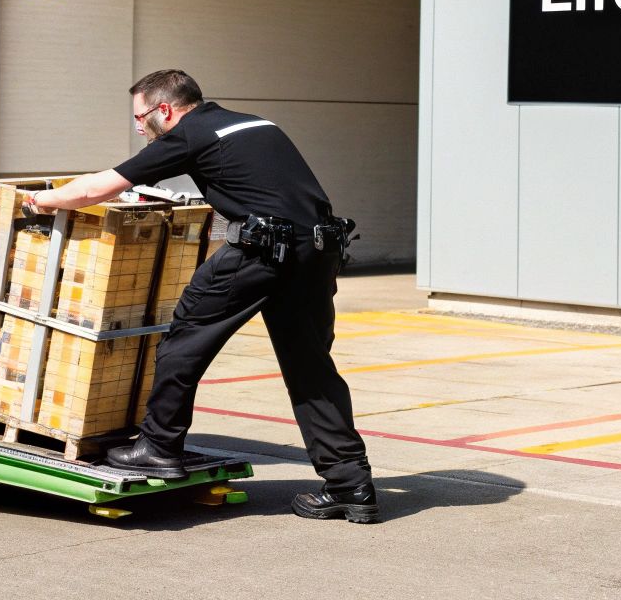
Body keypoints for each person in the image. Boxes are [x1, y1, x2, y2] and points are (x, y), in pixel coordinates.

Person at [22, 69, 378, 523]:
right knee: (311, 369)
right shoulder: (255, 123)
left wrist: (45, 200)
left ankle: (158, 447)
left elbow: (99, 187)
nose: (137, 127)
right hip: (319, 250)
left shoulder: (190, 133)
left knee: (183, 341)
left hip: (263, 251)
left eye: (139, 117)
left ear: (164, 110)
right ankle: (351, 486)